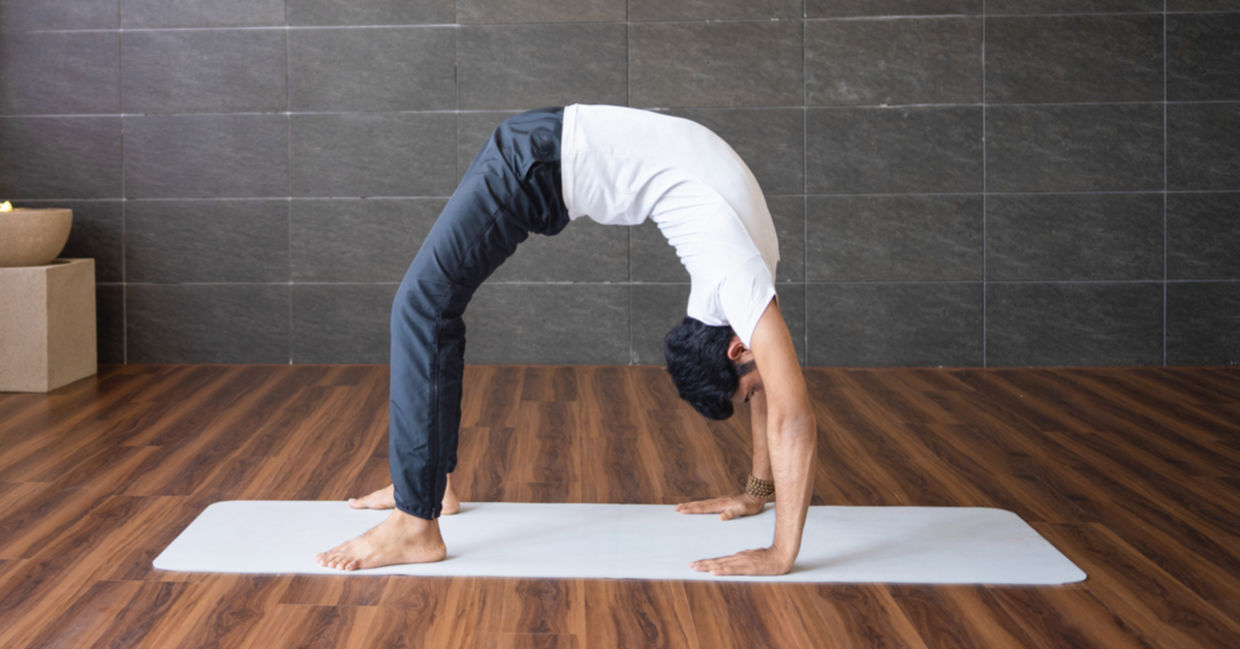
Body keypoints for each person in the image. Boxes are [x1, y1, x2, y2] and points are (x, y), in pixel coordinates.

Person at [315, 105, 816, 576]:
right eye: (749, 389)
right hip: (536, 161)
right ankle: (415, 523)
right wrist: (781, 553)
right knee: (422, 305)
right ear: (736, 347)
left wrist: (755, 492)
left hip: (545, 141)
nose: (761, 393)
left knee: (434, 305)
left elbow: (770, 387)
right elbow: (792, 416)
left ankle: (428, 486)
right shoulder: (738, 276)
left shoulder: (740, 283)